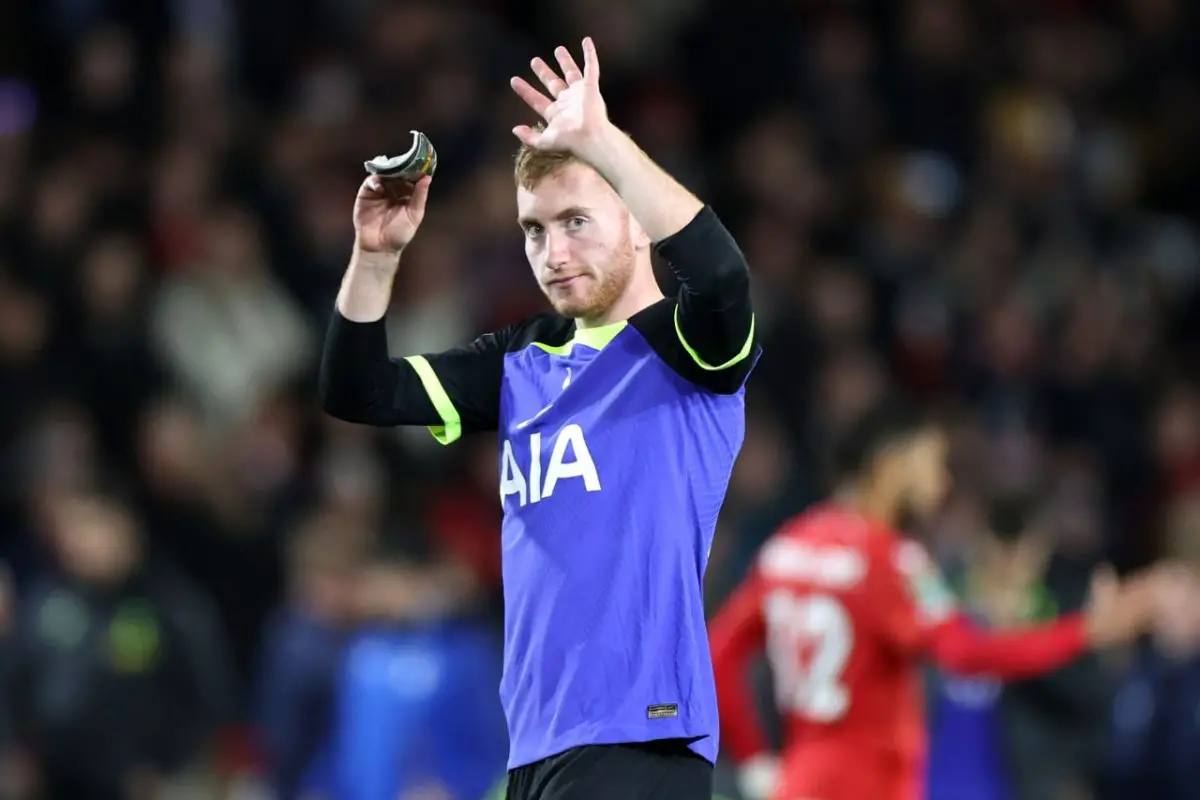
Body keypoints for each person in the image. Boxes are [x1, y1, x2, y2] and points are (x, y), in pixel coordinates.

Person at [319, 37, 758, 800]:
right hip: (537, 740)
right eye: (534, 230)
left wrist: (606, 144)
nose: (552, 253)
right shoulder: (523, 358)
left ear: (637, 221)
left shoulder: (684, 350)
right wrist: (376, 259)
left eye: (576, 222)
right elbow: (357, 392)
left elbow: (720, 274)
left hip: (642, 733)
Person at [708, 405, 1171, 800]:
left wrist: (754, 761)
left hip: (799, 782)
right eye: (931, 463)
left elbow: (718, 654)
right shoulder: (889, 560)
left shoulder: (788, 546)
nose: (941, 483)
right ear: (892, 464)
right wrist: (1086, 630)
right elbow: (966, 653)